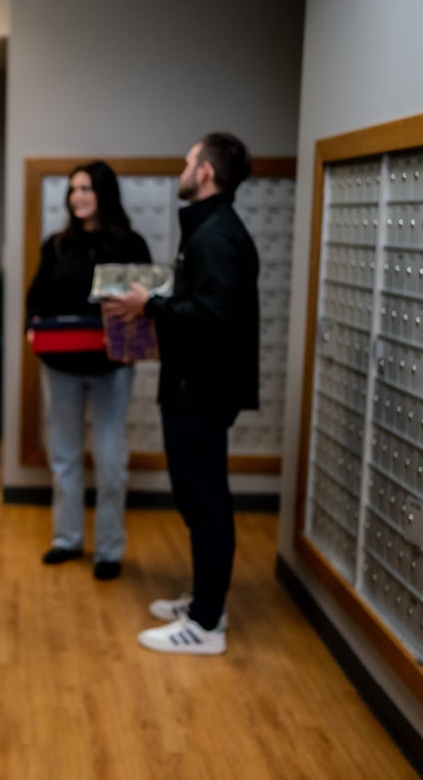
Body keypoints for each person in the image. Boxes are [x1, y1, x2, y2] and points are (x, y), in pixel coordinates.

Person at [102, 132, 259, 655]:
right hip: (196, 385)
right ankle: (204, 600)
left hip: (202, 389)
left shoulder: (215, 234)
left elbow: (213, 317)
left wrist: (152, 305)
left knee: (206, 501)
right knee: (198, 500)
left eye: (190, 161)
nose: (183, 170)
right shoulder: (210, 228)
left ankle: (207, 624)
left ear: (207, 173)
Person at [26, 162, 151, 579]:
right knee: (63, 457)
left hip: (112, 367)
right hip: (60, 365)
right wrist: (34, 328)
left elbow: (145, 306)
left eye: (86, 188)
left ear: (104, 193)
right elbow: (37, 296)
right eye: (73, 189)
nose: (78, 196)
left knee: (111, 460)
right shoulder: (57, 244)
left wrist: (136, 342)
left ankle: (110, 550)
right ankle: (67, 538)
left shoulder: (130, 243)